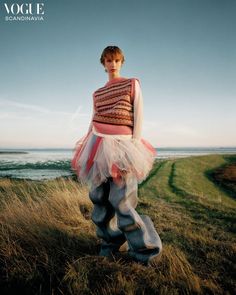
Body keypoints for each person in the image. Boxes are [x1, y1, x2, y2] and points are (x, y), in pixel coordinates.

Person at [71, 46, 162, 266]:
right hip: (98, 145)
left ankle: (144, 251)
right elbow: (93, 120)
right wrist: (85, 146)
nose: (112, 64)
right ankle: (109, 244)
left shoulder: (131, 84)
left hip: (124, 147)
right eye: (108, 60)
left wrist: (133, 147)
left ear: (121, 62)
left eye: (116, 60)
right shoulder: (97, 93)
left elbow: (138, 114)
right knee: (99, 199)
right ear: (103, 63)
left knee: (121, 201)